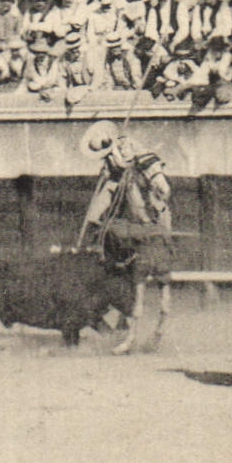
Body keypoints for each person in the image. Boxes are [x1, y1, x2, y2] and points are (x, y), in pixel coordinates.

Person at [79, 119, 174, 354]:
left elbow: (144, 162)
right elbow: (111, 174)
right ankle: (96, 232)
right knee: (104, 199)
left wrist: (124, 164)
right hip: (120, 188)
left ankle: (164, 238)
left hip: (139, 184)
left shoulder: (129, 145)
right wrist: (109, 171)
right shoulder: (108, 157)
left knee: (156, 208)